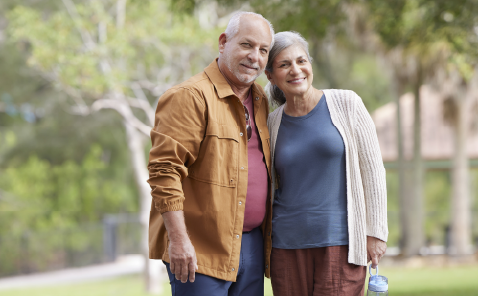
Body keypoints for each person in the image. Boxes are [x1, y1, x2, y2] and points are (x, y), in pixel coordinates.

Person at [147, 11, 275, 296]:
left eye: (263, 50)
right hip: (199, 249)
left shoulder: (261, 100)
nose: (254, 56)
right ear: (223, 42)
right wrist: (179, 241)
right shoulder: (189, 96)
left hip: (251, 245)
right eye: (246, 45)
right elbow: (164, 173)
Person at [265, 31, 388, 296]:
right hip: (286, 246)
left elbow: (374, 171)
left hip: (340, 244)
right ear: (271, 76)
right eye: (284, 64)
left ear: (310, 64)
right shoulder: (272, 123)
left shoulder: (347, 103)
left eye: (301, 61)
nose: (295, 70)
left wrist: (376, 232)